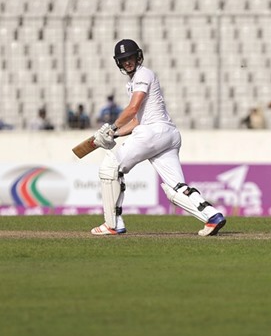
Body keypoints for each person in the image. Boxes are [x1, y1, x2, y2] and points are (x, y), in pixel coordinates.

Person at [89, 39, 226, 236]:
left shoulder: (143, 74)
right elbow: (137, 120)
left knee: (110, 167)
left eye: (130, 57)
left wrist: (111, 127)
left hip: (153, 133)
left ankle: (112, 224)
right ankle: (212, 217)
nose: (127, 62)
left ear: (138, 56)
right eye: (123, 59)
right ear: (118, 62)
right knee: (176, 187)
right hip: (167, 135)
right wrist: (116, 134)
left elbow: (133, 108)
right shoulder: (135, 81)